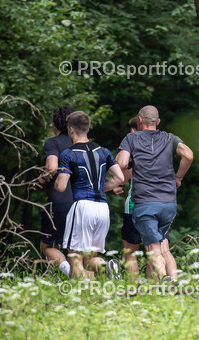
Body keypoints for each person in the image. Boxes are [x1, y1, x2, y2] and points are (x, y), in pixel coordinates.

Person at [116, 105, 194, 282]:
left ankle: (166, 280)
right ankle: (170, 283)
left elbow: (121, 163)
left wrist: (120, 174)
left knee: (152, 249)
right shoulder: (169, 138)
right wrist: (178, 177)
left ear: (140, 120)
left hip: (145, 203)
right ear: (158, 122)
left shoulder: (131, 138)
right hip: (169, 203)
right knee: (162, 247)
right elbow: (188, 155)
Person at [54, 111, 125, 279]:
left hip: (82, 208)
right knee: (89, 259)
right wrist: (101, 188)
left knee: (75, 259)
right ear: (88, 128)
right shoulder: (104, 152)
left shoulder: (68, 154)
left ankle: (81, 292)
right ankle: (106, 266)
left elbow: (61, 186)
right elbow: (120, 178)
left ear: (71, 130)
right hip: (102, 208)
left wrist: (56, 178)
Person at [36, 105, 75, 277]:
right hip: (81, 201)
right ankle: (77, 278)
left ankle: (67, 271)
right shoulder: (81, 144)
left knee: (49, 246)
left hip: (59, 200)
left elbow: (51, 167)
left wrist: (41, 178)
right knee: (74, 248)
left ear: (54, 124)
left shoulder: (53, 142)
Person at [113, 115, 143, 278]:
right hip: (160, 201)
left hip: (135, 204)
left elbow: (125, 168)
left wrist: (117, 184)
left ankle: (134, 288)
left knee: (130, 251)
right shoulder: (159, 144)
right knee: (155, 250)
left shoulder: (131, 142)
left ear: (133, 130)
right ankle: (155, 287)